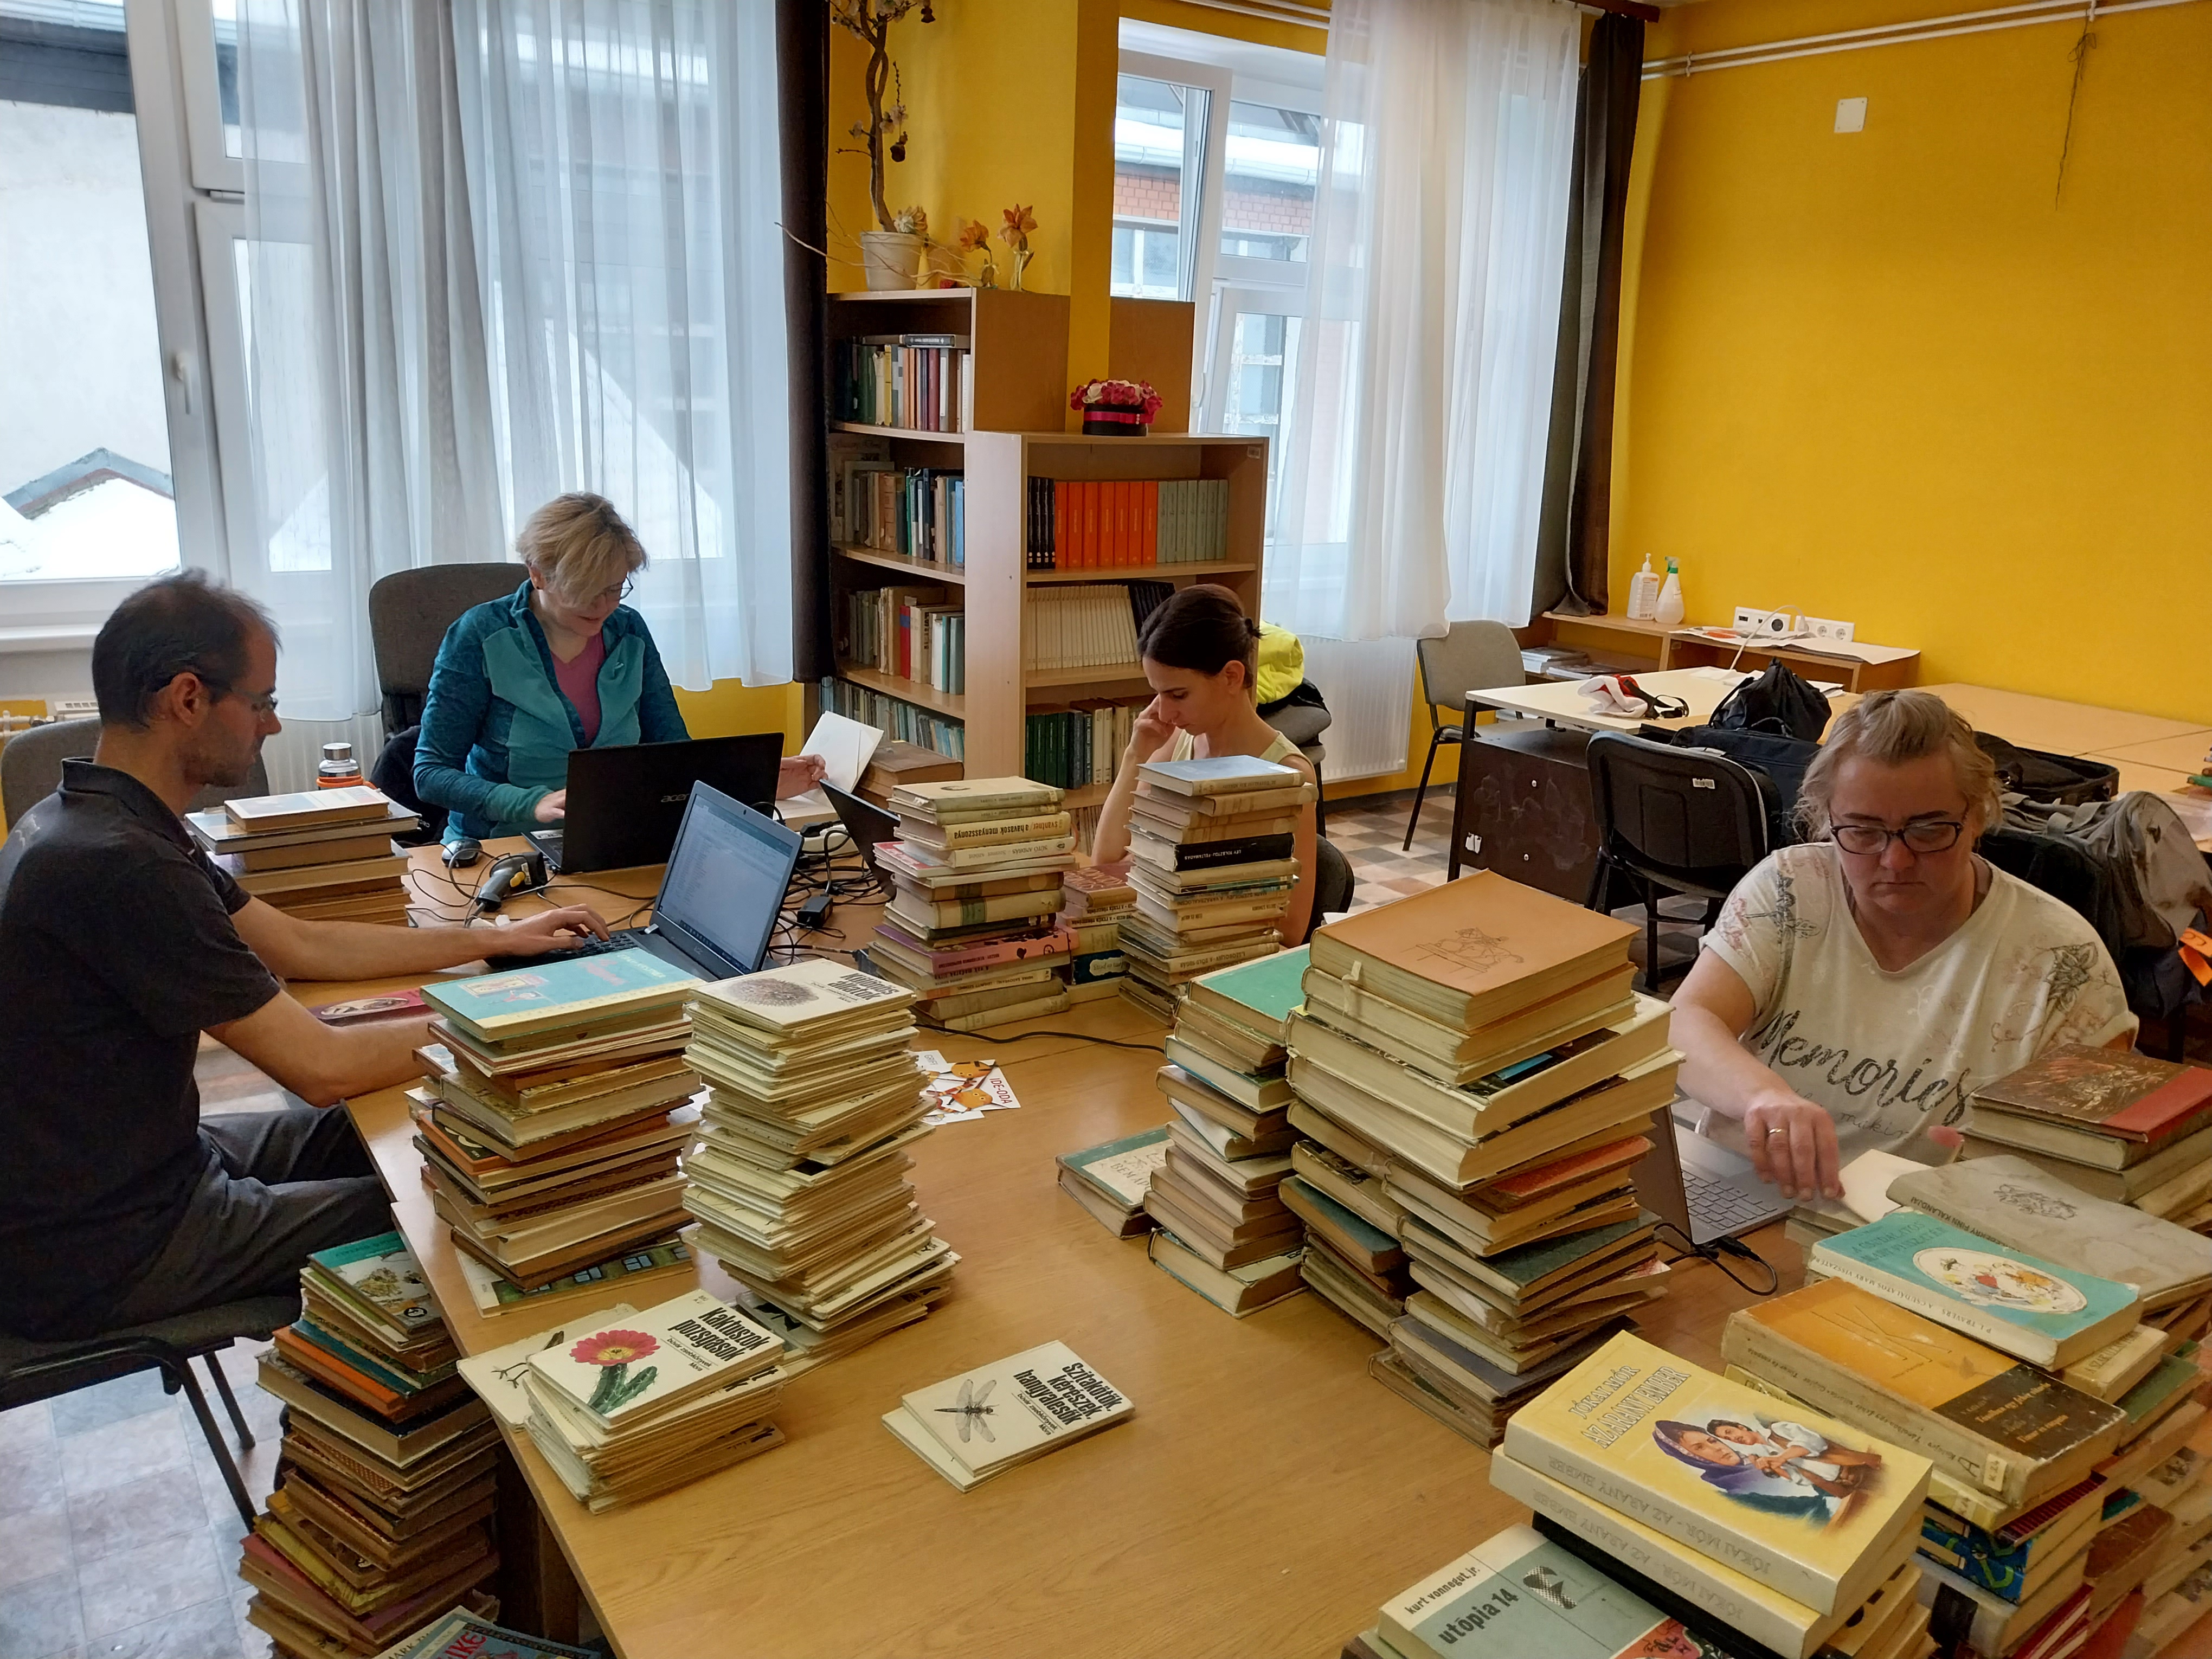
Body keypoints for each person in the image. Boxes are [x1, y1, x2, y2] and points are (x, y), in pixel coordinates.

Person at [0, 573, 614, 1341]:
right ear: (188, 699)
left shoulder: (97, 816)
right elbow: (324, 1069)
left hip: (131, 1172)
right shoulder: (119, 866)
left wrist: (494, 940)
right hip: (102, 1250)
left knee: (414, 1128)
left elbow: (300, 943)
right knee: (467, 1194)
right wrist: (532, 1014)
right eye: (261, 702)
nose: (273, 724)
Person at [1670, 689, 2134, 1205]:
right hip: (1740, 1196)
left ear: (1977, 817)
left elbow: (2090, 1166)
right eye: (1863, 832)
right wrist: (1763, 1096)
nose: (1895, 861)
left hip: (1928, 1225)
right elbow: (1688, 1019)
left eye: (1929, 830)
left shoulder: (2062, 959)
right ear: (1827, 820)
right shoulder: (1791, 888)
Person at [413, 492, 824, 841]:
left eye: (614, 589)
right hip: (502, 845)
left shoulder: (628, 630)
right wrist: (529, 803)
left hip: (616, 836)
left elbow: (673, 754)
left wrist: (751, 781)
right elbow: (430, 774)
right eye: (585, 591)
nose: (603, 606)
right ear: (538, 574)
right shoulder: (479, 636)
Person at [1092, 584, 1320, 946]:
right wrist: (1135, 754)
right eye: (1158, 693)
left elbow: (1290, 931)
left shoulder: (1289, 775)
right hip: (1164, 942)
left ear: (1231, 677)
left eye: (1178, 694)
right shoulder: (1176, 743)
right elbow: (1106, 863)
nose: (1164, 712)